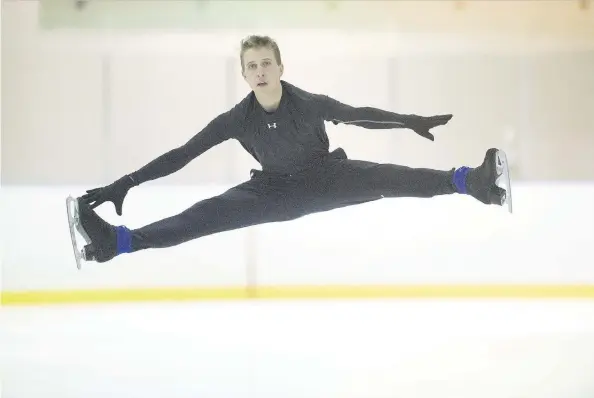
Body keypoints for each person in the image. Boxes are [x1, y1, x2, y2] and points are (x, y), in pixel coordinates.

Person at [76, 34, 507, 263]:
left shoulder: (308, 104)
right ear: (243, 75)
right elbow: (181, 155)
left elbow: (358, 114)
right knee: (203, 216)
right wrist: (126, 182)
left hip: (327, 178)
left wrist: (408, 121)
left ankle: (473, 182)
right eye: (252, 66)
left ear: (280, 67)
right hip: (274, 191)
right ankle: (119, 242)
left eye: (267, 63)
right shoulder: (236, 120)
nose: (260, 71)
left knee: (388, 175)